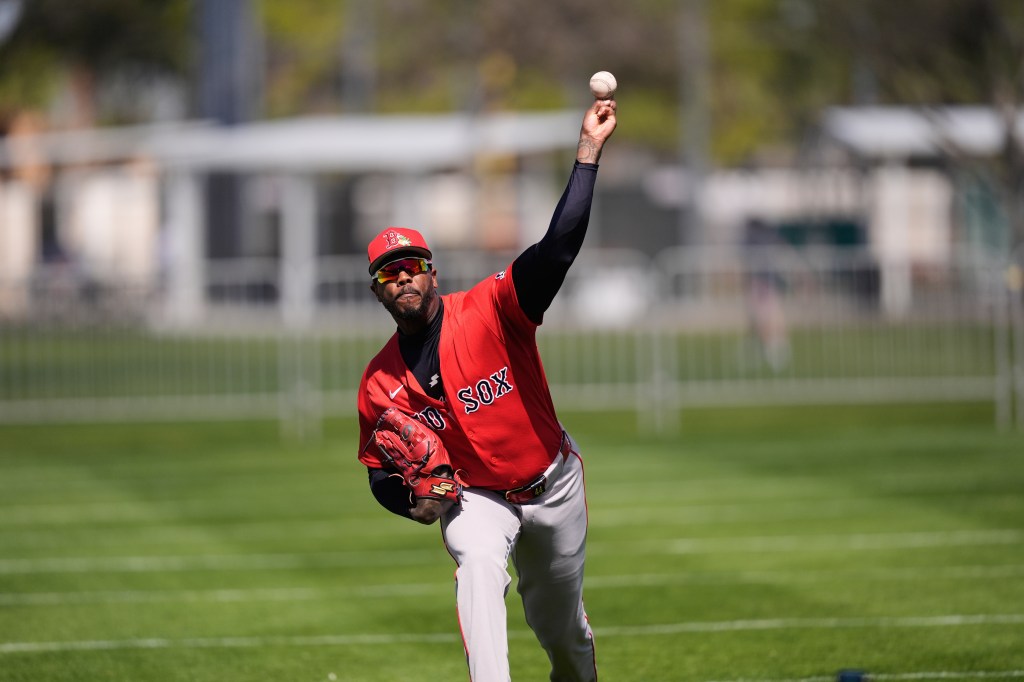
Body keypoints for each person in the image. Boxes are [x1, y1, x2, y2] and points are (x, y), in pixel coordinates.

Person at [355, 97, 617, 682]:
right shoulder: (378, 382)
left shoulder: (493, 309)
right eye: (388, 273)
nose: (403, 277)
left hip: (551, 484)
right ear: (376, 291)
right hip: (475, 497)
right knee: (475, 559)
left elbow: (558, 248)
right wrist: (411, 502)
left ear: (433, 272)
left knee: (562, 633)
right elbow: (378, 469)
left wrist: (588, 153)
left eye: (412, 264)